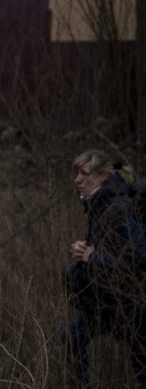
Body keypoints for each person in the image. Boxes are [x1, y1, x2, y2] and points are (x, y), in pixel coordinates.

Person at [62, 149, 146, 388]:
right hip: (104, 300)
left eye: (84, 174)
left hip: (128, 303)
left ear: (103, 177)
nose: (77, 180)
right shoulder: (97, 204)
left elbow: (139, 257)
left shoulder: (118, 207)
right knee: (72, 338)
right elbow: (112, 247)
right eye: (77, 173)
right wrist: (85, 249)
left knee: (142, 367)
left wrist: (94, 257)